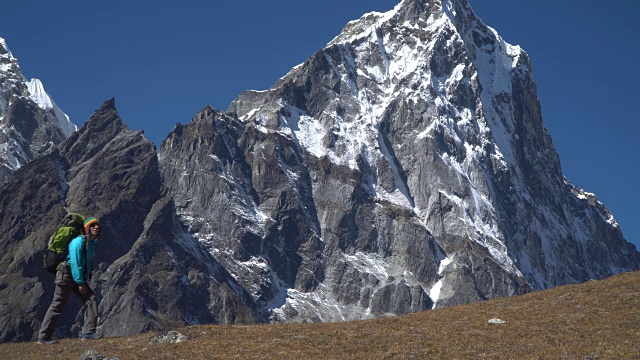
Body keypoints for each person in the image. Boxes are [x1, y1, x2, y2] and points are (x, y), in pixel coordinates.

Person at [37, 216, 103, 343]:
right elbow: (75, 261)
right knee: (57, 305)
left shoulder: (90, 243)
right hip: (66, 274)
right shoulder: (78, 241)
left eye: (98, 226)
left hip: (74, 276)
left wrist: (81, 279)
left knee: (91, 299)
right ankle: (43, 337)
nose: (96, 227)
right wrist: (80, 282)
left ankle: (88, 332)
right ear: (87, 228)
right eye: (93, 225)